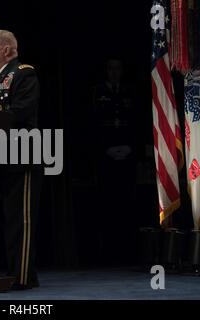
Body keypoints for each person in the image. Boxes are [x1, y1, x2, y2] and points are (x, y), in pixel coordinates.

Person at [0, 30, 41, 290]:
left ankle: (23, 276)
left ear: (7, 50)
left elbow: (21, 111)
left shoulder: (23, 73)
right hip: (0, 157)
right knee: (8, 219)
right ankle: (12, 271)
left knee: (22, 221)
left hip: (22, 156)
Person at [91, 58, 137, 265]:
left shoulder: (129, 91)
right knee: (107, 204)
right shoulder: (97, 92)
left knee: (127, 203)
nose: (114, 72)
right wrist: (104, 148)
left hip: (127, 154)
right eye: (110, 68)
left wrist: (131, 147)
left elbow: (138, 119)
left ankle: (128, 252)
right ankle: (108, 254)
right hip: (106, 156)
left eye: (118, 68)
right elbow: (91, 123)